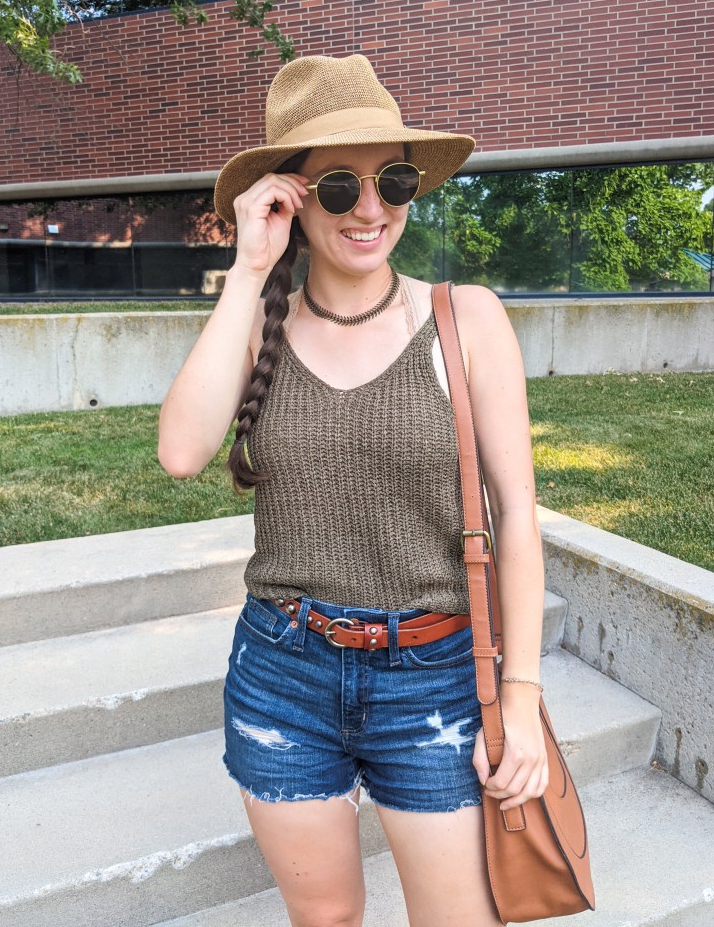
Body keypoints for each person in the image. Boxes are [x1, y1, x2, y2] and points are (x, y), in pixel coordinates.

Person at [158, 54, 548, 927]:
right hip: (283, 670)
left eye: (392, 181)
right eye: (338, 186)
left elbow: (518, 517)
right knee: (326, 918)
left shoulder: (465, 319)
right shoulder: (259, 327)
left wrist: (520, 695)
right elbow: (181, 451)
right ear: (290, 199)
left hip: (436, 677)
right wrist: (249, 269)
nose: (371, 209)